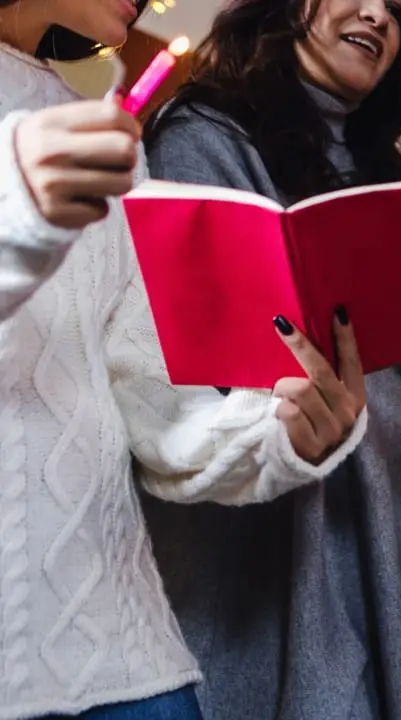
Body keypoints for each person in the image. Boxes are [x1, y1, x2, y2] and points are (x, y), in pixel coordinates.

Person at [139, 0, 401, 717]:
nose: (377, 15)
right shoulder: (200, 140)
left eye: (399, 7)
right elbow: (225, 369)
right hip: (287, 559)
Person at [0, 0, 367, 718]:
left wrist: (280, 433)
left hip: (132, 674)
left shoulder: (105, 138)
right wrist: (19, 213)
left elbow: (161, 421)